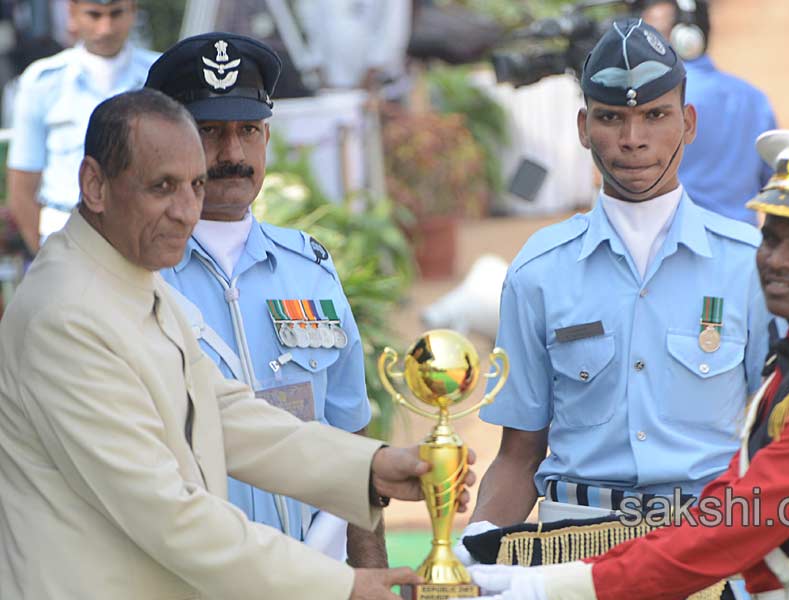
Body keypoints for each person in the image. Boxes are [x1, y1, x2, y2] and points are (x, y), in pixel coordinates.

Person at [0, 88, 478, 600]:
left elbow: (223, 412)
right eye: (162, 187)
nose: (187, 211)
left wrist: (369, 468)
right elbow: (166, 512)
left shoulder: (130, 277)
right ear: (94, 185)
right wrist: (339, 585)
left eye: (195, 185)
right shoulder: (67, 316)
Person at [465, 129, 789, 600]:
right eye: (772, 240)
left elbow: (736, 524)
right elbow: (721, 508)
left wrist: (556, 586)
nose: (778, 261)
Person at [462, 18, 771, 598]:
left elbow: (778, 442)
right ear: (584, 127)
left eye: (655, 114)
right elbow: (519, 453)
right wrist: (476, 546)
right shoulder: (539, 271)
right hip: (572, 555)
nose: (633, 138)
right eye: (611, 117)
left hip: (705, 553)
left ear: (689, 122)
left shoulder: (749, 266)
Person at [144, 31, 387, 566]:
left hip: (309, 572)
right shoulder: (141, 277)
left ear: (267, 138)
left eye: (248, 130)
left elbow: (350, 434)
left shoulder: (308, 271)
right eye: (209, 131)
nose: (232, 154)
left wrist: (370, 573)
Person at [5, 0, 157, 253]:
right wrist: (47, 257)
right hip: (65, 237)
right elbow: (21, 189)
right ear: (72, 12)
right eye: (94, 14)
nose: (106, 28)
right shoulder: (43, 82)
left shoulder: (158, 75)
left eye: (116, 13)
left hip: (142, 239)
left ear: (133, 11)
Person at [638, 0, 777, 225]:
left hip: (670, 246)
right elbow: (772, 183)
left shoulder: (649, 99)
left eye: (652, 34)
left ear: (687, 39)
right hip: (741, 248)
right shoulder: (753, 98)